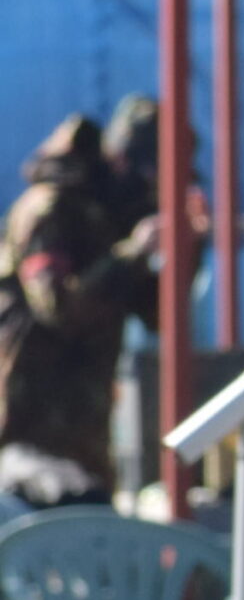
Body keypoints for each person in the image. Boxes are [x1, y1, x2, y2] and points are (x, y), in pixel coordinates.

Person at [0, 108, 163, 506]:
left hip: (85, 432)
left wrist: (183, 250)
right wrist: (133, 254)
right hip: (30, 429)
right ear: (121, 161)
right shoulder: (49, 210)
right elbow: (57, 306)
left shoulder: (108, 216)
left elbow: (157, 315)